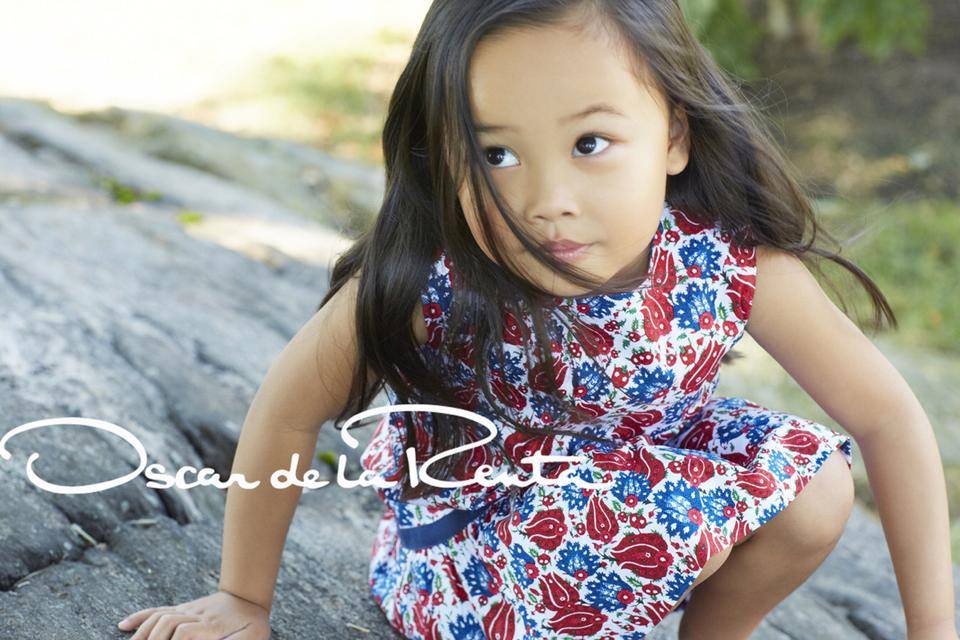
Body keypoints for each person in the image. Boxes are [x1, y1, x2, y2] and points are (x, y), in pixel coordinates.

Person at [116, 1, 958, 639]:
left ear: (674, 134)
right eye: (496, 154)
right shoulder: (435, 280)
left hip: (644, 503)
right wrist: (243, 597)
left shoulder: (724, 260)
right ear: (444, 155)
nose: (547, 202)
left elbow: (886, 417)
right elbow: (287, 407)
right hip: (486, 553)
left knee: (815, 483)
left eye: (590, 143)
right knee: (613, 518)